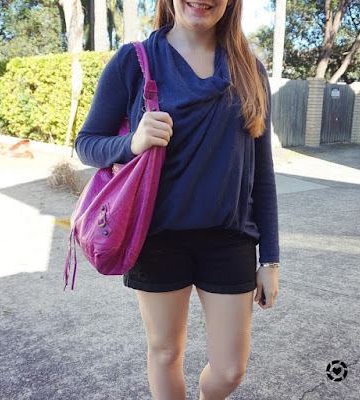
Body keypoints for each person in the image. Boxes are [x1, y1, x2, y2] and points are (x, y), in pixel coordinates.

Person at [74, 0, 280, 399]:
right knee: (165, 351)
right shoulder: (134, 61)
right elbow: (86, 144)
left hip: (229, 238)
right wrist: (130, 144)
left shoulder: (249, 70)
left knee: (229, 371)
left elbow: (262, 173)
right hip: (157, 236)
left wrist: (269, 258)